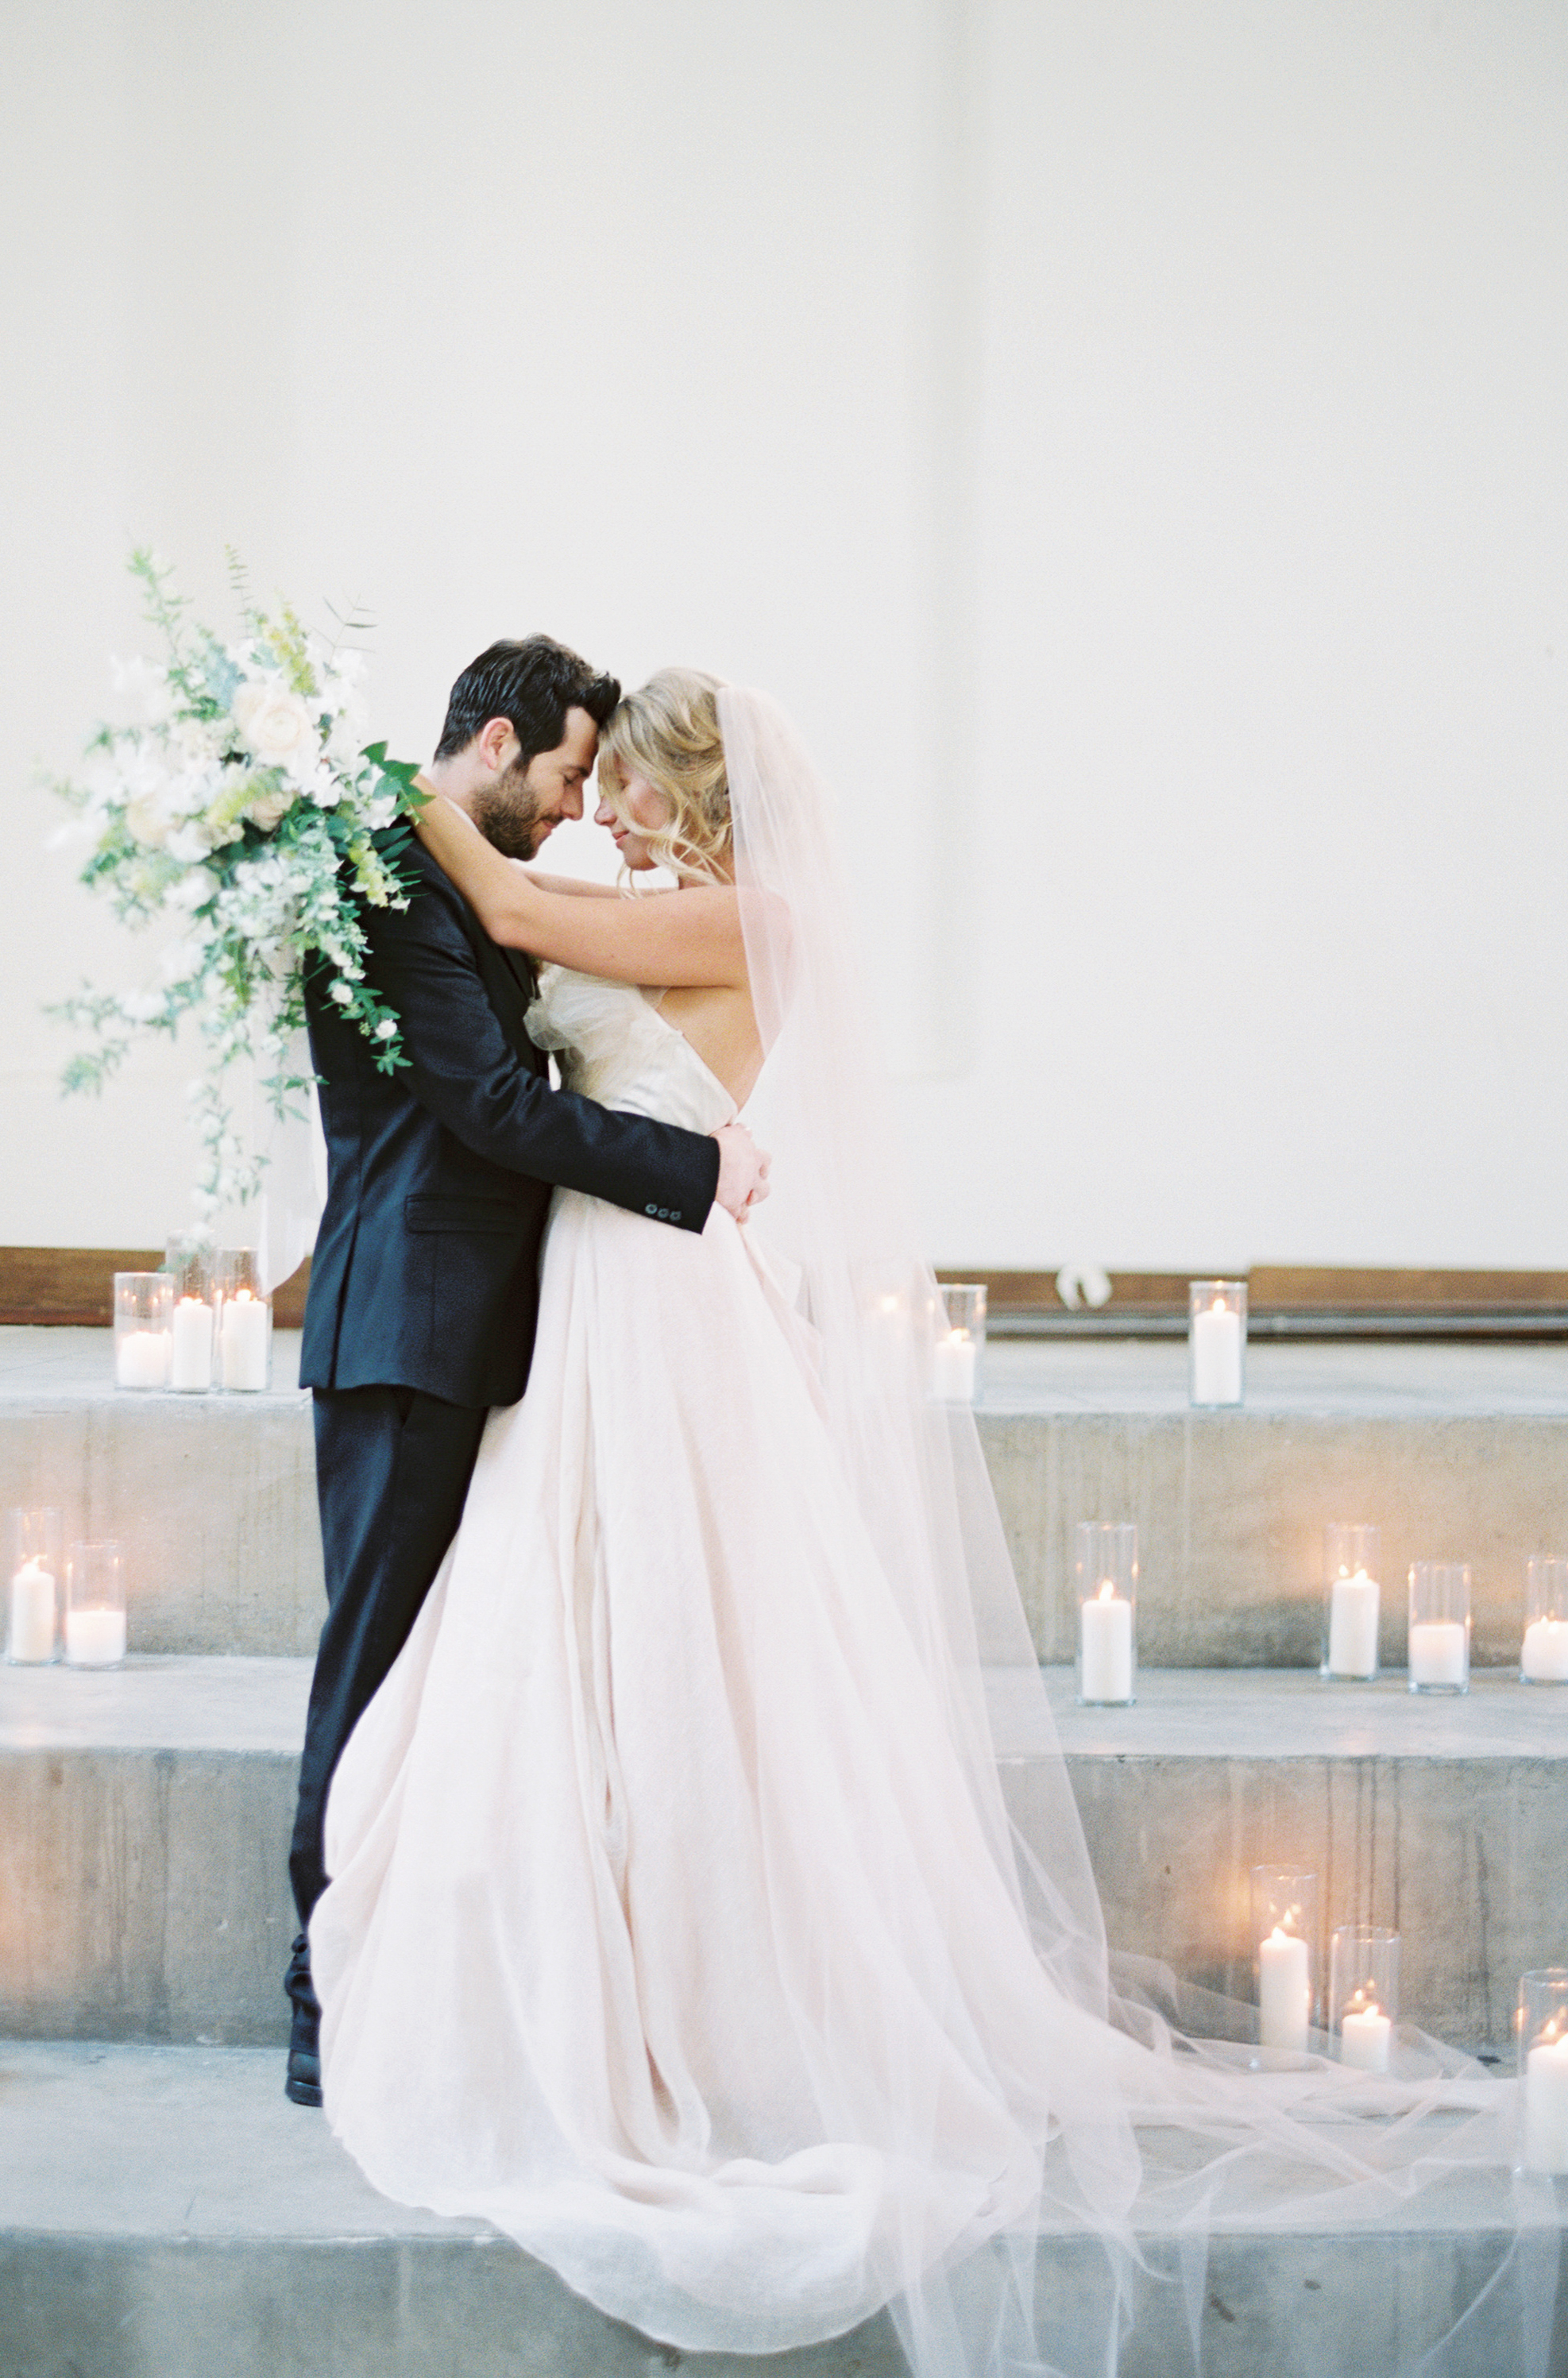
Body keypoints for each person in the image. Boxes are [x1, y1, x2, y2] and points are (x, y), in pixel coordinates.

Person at [303, 673, 1523, 2378]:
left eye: (638, 790)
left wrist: (337, 779)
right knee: (588, 1607)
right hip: (609, 1279)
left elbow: (505, 908)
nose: (618, 816)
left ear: (697, 793)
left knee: (678, 1619)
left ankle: (693, 1998)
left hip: (655, 1287)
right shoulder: (670, 902)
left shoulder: (751, 912)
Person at [284, 639, 769, 2109]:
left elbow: (522, 925)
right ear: (498, 747)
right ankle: (321, 1989)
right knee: (376, 1670)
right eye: (572, 774)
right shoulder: (396, 874)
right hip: (418, 1320)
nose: (581, 814)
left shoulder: (667, 906)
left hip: (543, 1318)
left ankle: (547, 1976)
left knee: (526, 1666)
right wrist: (706, 1166)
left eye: (612, 783)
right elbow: (495, 1105)